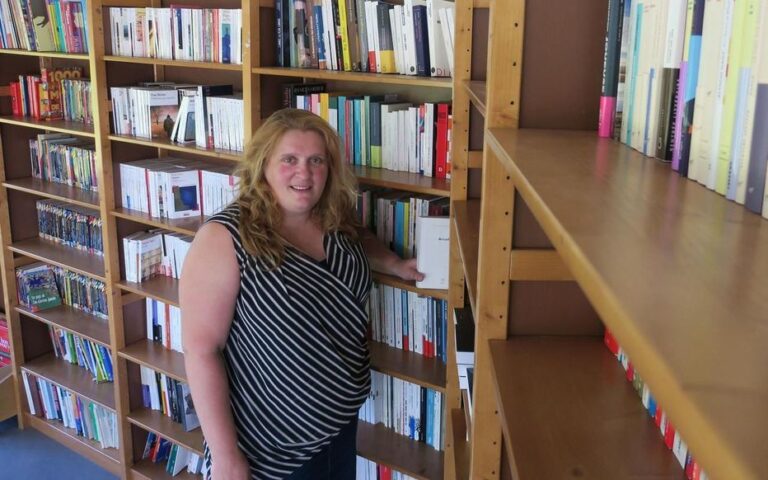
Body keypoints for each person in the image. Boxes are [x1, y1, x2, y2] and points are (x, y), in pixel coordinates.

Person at [180, 108, 423, 480]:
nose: (304, 173)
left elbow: (359, 238)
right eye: (289, 160)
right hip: (271, 445)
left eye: (316, 161)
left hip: (339, 422)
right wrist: (227, 457)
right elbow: (201, 351)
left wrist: (395, 264)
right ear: (263, 164)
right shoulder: (224, 238)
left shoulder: (333, 216)